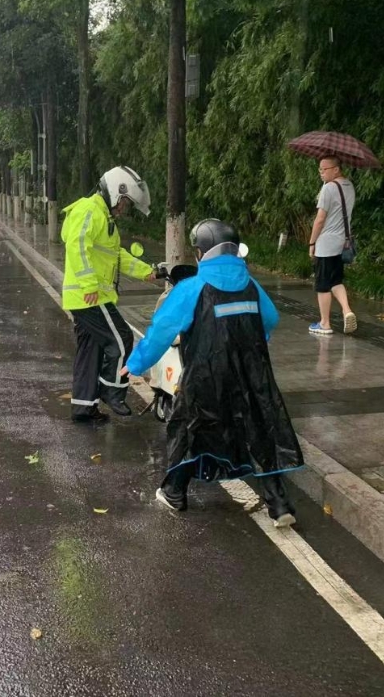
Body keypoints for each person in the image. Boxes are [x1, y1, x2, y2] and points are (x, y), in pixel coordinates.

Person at [123, 219, 303, 527]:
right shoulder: (250, 284)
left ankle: (175, 492)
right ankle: (279, 503)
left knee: (188, 428)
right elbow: (270, 319)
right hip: (252, 376)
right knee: (260, 431)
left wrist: (137, 363)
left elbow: (162, 330)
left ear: (201, 251)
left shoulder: (192, 287)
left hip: (206, 376)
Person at [61, 166, 156, 423]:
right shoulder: (89, 210)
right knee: (121, 337)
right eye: (125, 202)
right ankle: (111, 389)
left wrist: (149, 272)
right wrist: (90, 285)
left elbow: (117, 257)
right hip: (89, 297)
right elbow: (77, 247)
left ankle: (84, 407)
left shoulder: (103, 217)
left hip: (86, 296)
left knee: (90, 350)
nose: (124, 208)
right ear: (116, 191)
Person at [308, 157, 357, 336]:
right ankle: (347, 311)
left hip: (326, 243)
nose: (321, 173)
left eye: (324, 169)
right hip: (342, 242)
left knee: (322, 285)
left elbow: (320, 219)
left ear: (336, 169)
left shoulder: (328, 188)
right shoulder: (349, 186)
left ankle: (325, 323)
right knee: (336, 280)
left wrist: (312, 242)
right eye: (320, 170)